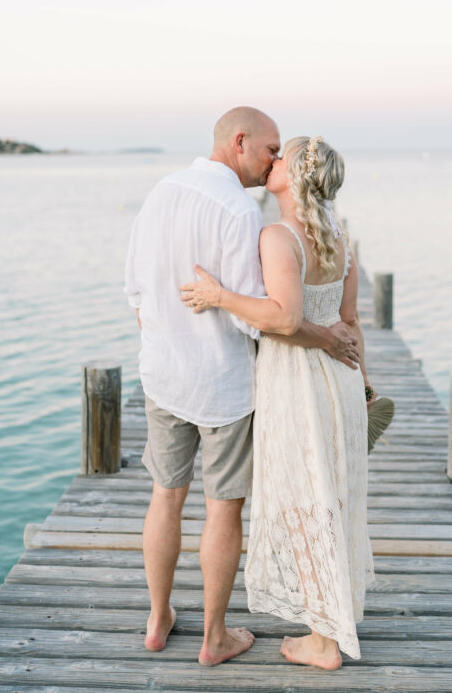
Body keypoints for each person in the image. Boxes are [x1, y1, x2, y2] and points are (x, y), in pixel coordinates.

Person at [124, 110, 361, 667]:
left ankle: (158, 620)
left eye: (282, 155)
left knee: (165, 494)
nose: (272, 161)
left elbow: (135, 290)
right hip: (225, 383)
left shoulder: (160, 192)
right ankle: (214, 636)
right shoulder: (239, 209)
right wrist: (327, 338)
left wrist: (168, 341)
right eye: (269, 149)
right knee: (222, 509)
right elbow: (267, 319)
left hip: (163, 374)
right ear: (240, 144)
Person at [181, 135, 375, 670]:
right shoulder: (341, 236)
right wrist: (365, 381)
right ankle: (327, 626)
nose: (273, 161)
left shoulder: (279, 235)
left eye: (282, 156)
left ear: (297, 174)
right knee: (331, 496)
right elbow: (351, 320)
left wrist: (218, 296)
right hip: (338, 377)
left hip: (296, 380)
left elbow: (283, 318)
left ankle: (324, 640)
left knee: (303, 498)